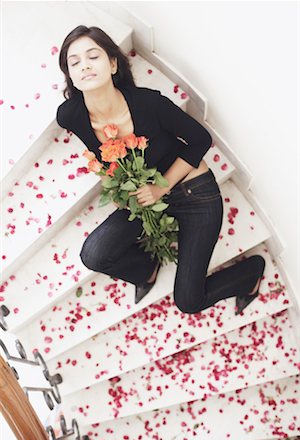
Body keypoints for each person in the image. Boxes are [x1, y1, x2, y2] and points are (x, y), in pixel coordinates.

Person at [56, 25, 266, 314]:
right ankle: (145, 270)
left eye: (93, 56)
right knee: (93, 255)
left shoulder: (149, 104)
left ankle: (250, 273)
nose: (85, 66)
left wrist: (160, 188)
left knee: (189, 302)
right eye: (74, 62)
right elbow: (99, 151)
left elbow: (200, 140)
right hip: (144, 196)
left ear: (113, 63)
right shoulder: (71, 116)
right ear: (70, 76)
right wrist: (115, 182)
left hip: (193, 192)